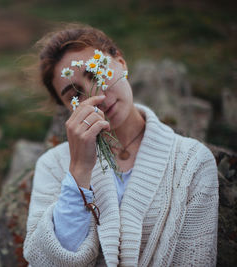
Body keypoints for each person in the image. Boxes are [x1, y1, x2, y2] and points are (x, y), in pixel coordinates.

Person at [23, 25, 218, 266]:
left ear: (121, 63)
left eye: (96, 73)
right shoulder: (53, 166)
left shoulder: (192, 160)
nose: (98, 97)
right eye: (75, 95)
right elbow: (44, 261)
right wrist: (79, 172)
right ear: (66, 108)